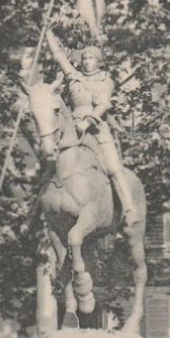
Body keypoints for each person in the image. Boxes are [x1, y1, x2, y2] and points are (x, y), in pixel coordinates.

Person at [45, 27, 137, 225]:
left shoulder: (105, 81)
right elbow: (59, 57)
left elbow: (104, 104)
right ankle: (34, 215)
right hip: (71, 129)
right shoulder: (74, 77)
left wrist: (88, 121)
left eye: (91, 59)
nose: (87, 62)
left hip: (96, 129)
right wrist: (47, 33)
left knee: (113, 167)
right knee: (52, 167)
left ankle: (128, 207)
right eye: (85, 59)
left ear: (98, 61)